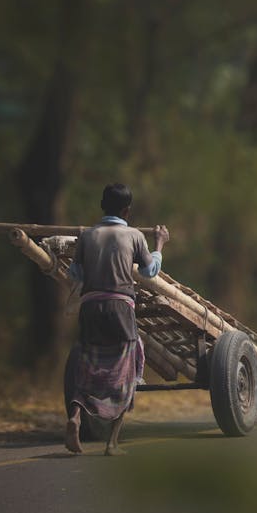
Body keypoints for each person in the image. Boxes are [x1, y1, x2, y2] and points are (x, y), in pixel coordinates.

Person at [63, 183, 169, 455]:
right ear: (127, 210)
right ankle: (112, 442)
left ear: (102, 206)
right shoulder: (134, 236)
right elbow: (149, 272)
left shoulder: (87, 236)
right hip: (120, 307)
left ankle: (74, 417)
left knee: (87, 365)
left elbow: (74, 275)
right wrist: (159, 243)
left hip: (90, 307)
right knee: (128, 369)